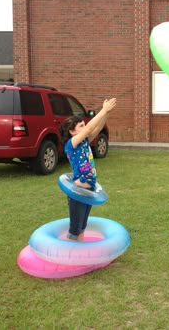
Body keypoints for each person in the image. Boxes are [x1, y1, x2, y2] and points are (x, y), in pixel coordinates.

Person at [60, 98, 117, 241]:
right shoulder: (71, 144)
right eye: (81, 126)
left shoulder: (84, 141)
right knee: (75, 228)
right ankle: (67, 256)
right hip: (79, 189)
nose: (84, 127)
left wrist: (107, 113)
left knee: (82, 226)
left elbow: (97, 128)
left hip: (89, 187)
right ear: (72, 131)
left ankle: (80, 257)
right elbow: (90, 128)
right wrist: (103, 110)